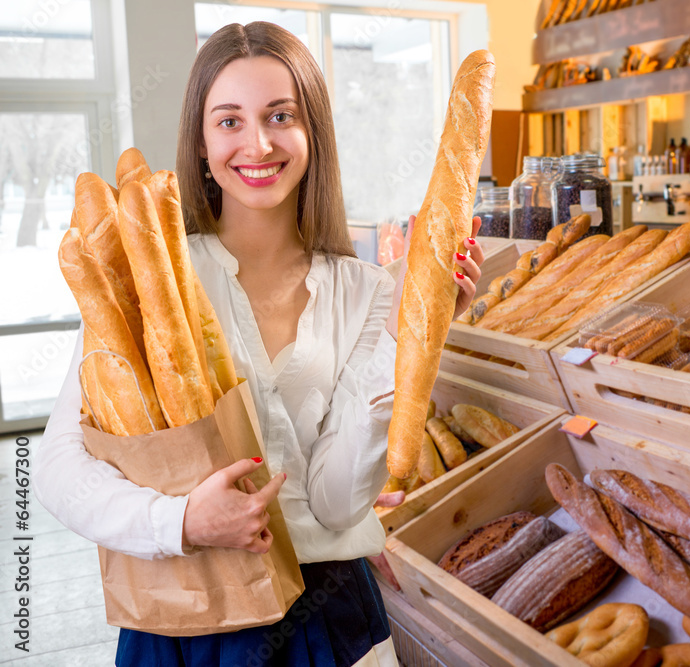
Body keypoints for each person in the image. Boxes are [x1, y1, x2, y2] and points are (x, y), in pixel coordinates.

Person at [36, 21, 485, 666]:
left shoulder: (366, 291)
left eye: (281, 115)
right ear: (199, 140)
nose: (259, 142)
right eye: (229, 121)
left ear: (313, 134)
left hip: (331, 616)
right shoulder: (146, 278)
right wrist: (183, 522)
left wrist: (410, 335)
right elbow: (57, 468)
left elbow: (335, 503)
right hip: (183, 619)